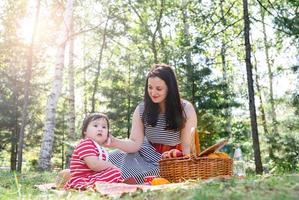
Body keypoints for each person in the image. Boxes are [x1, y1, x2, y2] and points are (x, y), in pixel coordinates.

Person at [107, 64, 197, 184]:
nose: (153, 92)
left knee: (141, 176)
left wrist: (186, 170)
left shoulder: (185, 109)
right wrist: (114, 142)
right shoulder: (142, 109)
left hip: (168, 159)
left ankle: (128, 181)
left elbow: (187, 147)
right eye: (150, 87)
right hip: (143, 152)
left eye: (158, 89)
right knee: (112, 158)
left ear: (170, 88)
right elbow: (134, 144)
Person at [64, 113, 123, 190]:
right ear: (85, 130)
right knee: (114, 172)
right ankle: (97, 186)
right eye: (95, 126)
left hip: (92, 177)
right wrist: (110, 165)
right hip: (83, 179)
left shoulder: (98, 148)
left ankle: (116, 183)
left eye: (104, 127)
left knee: (114, 173)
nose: (100, 129)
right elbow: (94, 165)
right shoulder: (86, 144)